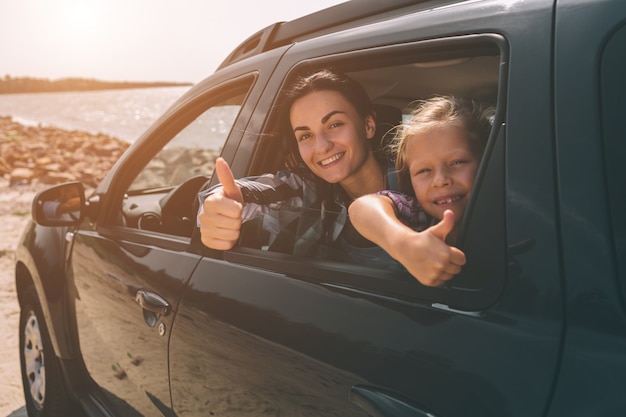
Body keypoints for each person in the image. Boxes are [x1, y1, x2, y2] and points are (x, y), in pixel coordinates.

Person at [197, 69, 462, 285]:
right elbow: (254, 192)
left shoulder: (419, 178)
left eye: (334, 125)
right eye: (305, 135)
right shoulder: (307, 189)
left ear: (368, 125)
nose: (321, 146)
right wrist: (218, 205)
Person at [348, 95, 493, 286]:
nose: (440, 180)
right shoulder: (420, 217)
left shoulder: (513, 214)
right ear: (410, 179)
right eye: (424, 170)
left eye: (458, 162)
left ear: (489, 160)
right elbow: (362, 208)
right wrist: (405, 245)